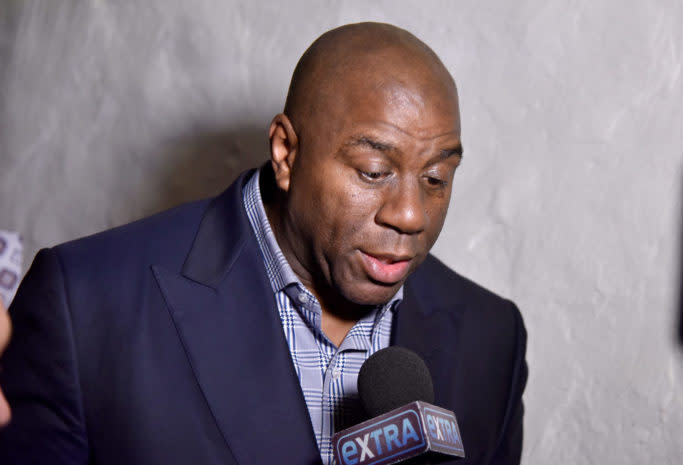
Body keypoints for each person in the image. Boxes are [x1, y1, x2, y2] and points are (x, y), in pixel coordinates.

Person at [0, 22, 527, 464]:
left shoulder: (492, 338)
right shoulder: (86, 305)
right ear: (285, 152)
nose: (410, 215)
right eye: (372, 171)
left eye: (436, 178)